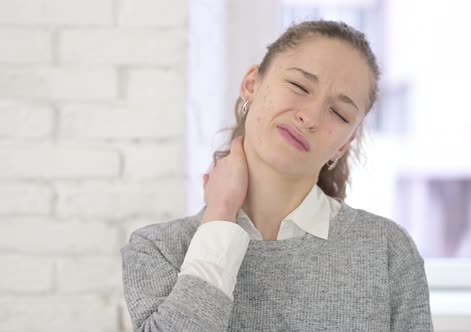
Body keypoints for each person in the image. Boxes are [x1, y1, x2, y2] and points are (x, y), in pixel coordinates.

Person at [121, 20, 433, 331]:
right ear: (251, 85)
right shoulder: (159, 249)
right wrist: (220, 216)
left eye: (338, 113)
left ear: (344, 144)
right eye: (299, 87)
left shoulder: (388, 251)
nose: (309, 117)